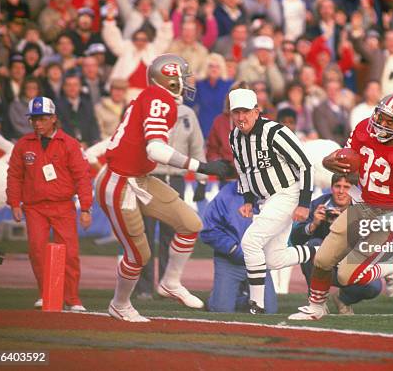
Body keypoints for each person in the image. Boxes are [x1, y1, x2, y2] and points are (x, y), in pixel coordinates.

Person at [95, 54, 230, 322]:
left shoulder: (153, 98)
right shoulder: (159, 99)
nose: (188, 83)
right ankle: (119, 304)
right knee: (139, 255)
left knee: (191, 224)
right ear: (170, 80)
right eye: (183, 77)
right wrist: (201, 167)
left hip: (140, 178)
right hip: (119, 182)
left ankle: (170, 282)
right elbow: (155, 149)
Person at [289, 93, 393, 321]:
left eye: (390, 121)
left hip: (389, 214)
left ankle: (392, 267)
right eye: (381, 116)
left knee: (346, 276)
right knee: (323, 259)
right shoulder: (364, 128)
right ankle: (315, 307)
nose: (382, 124)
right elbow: (348, 163)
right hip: (360, 205)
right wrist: (330, 163)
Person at [229, 88, 316, 314]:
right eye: (236, 112)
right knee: (273, 259)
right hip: (266, 200)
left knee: (250, 242)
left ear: (257, 111)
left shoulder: (275, 132)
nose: (241, 118)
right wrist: (248, 199)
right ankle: (317, 251)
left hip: (287, 193)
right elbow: (243, 171)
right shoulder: (234, 137)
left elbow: (305, 164)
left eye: (246, 111)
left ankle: (257, 304)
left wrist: (304, 202)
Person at [6, 96, 93, 311]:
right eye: (34, 119)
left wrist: (86, 208)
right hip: (34, 207)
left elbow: (82, 176)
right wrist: (14, 202)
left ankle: (72, 298)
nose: (37, 124)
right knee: (37, 250)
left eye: (42, 119)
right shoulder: (23, 145)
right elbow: (14, 175)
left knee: (70, 253)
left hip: (63, 206)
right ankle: (45, 294)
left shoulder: (69, 144)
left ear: (54, 118)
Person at [135, 101, 208, 300]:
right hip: (150, 176)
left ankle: (167, 284)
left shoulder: (187, 113)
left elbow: (196, 146)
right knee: (145, 233)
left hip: (176, 178)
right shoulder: (148, 108)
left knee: (172, 232)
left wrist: (202, 179)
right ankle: (144, 285)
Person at [290, 173, 383, 315]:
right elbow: (295, 239)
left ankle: (342, 298)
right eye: (337, 186)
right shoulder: (318, 204)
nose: (341, 191)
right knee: (313, 245)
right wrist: (313, 225)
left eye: (346, 187)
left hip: (348, 263)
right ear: (331, 188)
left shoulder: (364, 209)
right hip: (321, 263)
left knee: (374, 286)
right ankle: (316, 301)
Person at [200, 181, 278, 313]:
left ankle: (242, 298)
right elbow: (208, 230)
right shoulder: (226, 195)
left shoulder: (274, 195)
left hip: (259, 262)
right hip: (230, 260)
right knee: (221, 310)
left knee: (268, 311)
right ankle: (217, 299)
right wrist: (234, 249)